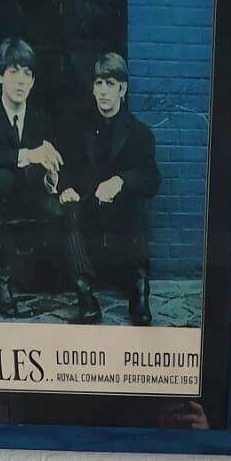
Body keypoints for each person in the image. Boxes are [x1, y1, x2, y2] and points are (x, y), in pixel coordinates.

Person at [0, 37, 79, 315]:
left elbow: (53, 170)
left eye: (27, 74)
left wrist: (54, 179)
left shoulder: (42, 119)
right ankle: (2, 280)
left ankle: (68, 280)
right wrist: (28, 154)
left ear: (33, 81)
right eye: (13, 72)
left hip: (32, 200)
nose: (20, 81)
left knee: (63, 206)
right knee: (0, 177)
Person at [57, 52, 160, 325]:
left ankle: (139, 290)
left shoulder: (140, 133)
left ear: (122, 89)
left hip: (121, 220)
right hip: (89, 212)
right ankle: (85, 293)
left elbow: (152, 178)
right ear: (92, 88)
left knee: (137, 202)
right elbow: (65, 166)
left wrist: (121, 181)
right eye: (99, 83)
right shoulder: (78, 128)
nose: (103, 91)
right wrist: (65, 188)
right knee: (68, 209)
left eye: (110, 84)